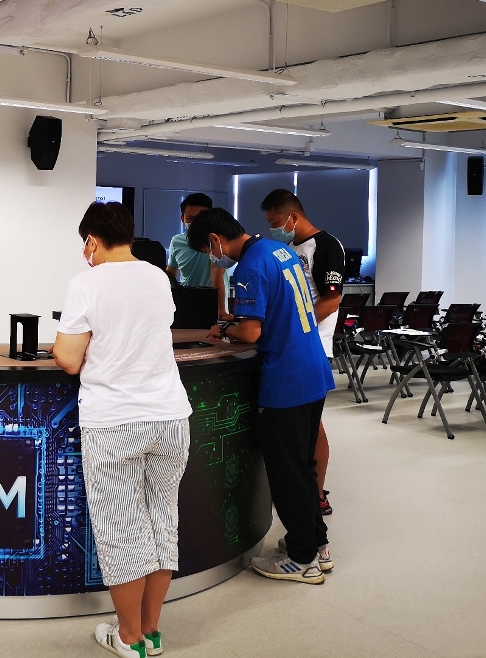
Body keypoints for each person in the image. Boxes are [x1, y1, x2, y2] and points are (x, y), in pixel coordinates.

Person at [53, 202, 192, 656]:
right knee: (163, 522)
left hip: (115, 422)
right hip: (170, 418)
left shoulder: (86, 283)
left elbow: (68, 358)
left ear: (92, 241)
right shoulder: (158, 277)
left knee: (122, 531)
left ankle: (129, 638)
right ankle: (151, 631)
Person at [186, 208, 333, 585]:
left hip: (286, 380)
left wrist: (224, 329)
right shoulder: (278, 251)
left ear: (215, 240)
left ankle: (302, 559)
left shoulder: (249, 267)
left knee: (287, 473)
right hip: (312, 370)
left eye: (208, 251)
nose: (212, 258)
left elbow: (251, 332)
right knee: (303, 466)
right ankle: (315, 543)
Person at [261, 189, 344, 517]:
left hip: (314, 345)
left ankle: (317, 494)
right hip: (291, 346)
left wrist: (297, 327)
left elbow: (332, 300)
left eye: (276, 222)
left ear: (293, 217)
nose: (273, 228)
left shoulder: (325, 245)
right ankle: (304, 491)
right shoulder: (287, 249)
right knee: (303, 428)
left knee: (313, 426)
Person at [167, 193, 229, 319]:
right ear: (182, 218)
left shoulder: (217, 239)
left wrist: (221, 310)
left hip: (214, 307)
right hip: (186, 304)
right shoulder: (176, 241)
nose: (196, 223)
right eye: (190, 218)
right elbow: (171, 274)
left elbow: (217, 272)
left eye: (200, 218)